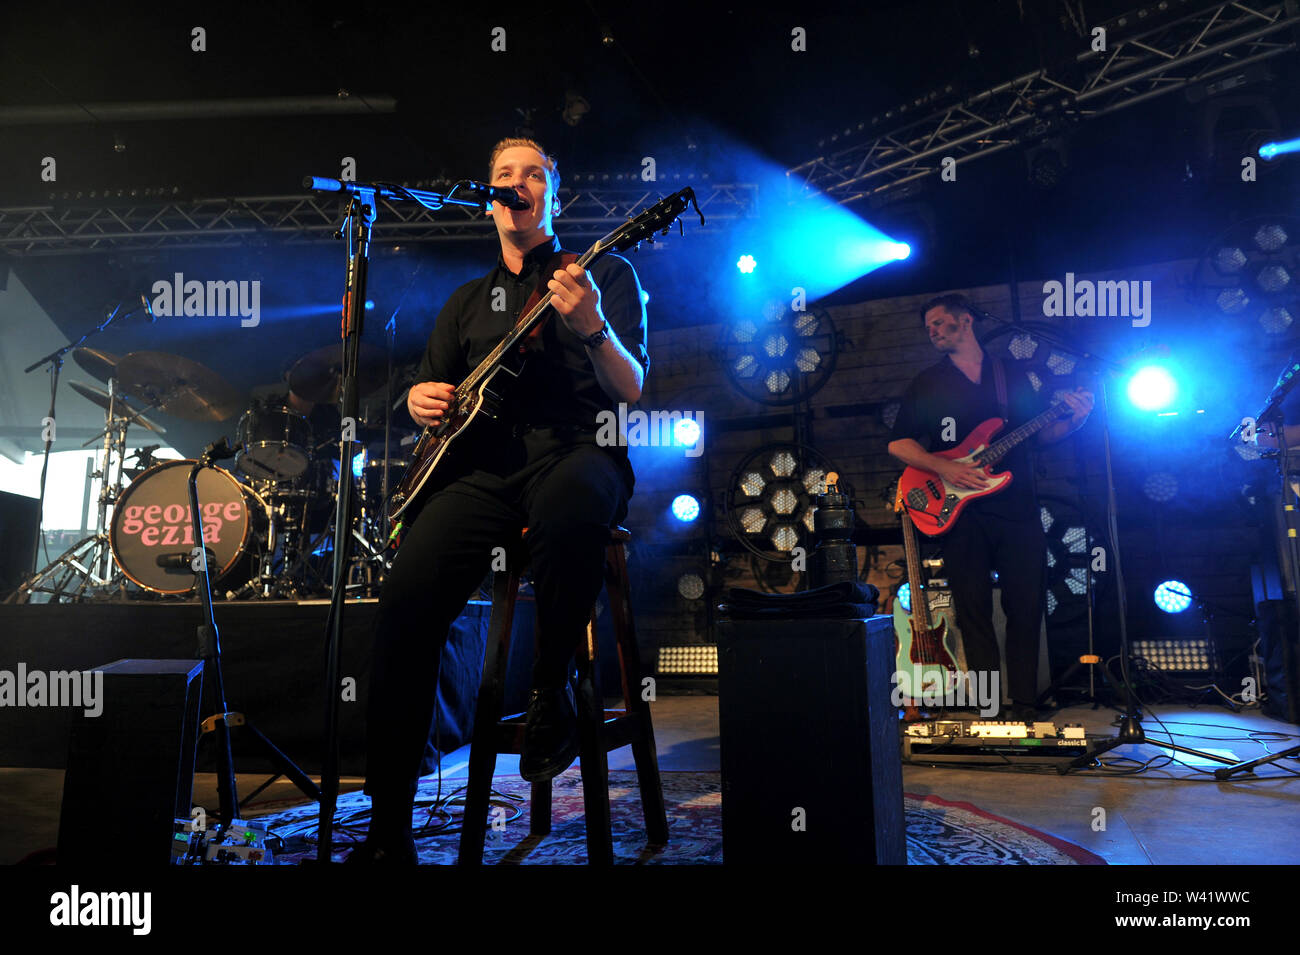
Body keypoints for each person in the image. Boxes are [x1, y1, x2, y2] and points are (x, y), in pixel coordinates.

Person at [351, 138, 649, 863]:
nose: (519, 184)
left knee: (573, 502)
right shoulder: (464, 302)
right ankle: (389, 828)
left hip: (580, 449)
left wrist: (593, 326)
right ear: (489, 198)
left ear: (554, 195)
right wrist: (422, 400)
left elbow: (634, 387)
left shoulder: (605, 271)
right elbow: (437, 399)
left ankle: (552, 688)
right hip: (483, 472)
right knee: (406, 606)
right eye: (504, 176)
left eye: (534, 174)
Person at [886, 293, 1093, 720]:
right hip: (960, 515)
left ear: (966, 322)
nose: (934, 332)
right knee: (972, 609)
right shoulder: (927, 382)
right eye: (929, 328)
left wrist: (1076, 419)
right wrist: (946, 468)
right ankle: (988, 706)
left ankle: (1024, 702)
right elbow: (899, 442)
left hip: (1016, 509)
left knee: (1025, 604)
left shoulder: (1010, 374)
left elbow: (1041, 434)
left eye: (941, 324)